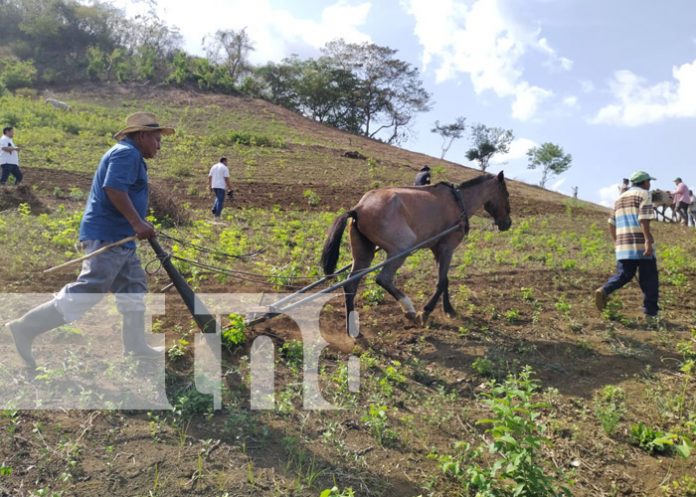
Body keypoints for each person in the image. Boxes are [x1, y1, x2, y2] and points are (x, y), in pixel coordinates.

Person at [4, 112, 175, 370]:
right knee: (91, 287)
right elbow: (113, 188)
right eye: (157, 139)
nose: (160, 145)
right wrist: (137, 222)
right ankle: (25, 328)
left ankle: (136, 347)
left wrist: (135, 224)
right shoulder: (126, 153)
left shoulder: (131, 154)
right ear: (142, 135)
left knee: (133, 287)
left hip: (121, 238)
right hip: (108, 235)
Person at [595, 171, 659, 321]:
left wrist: (617, 241)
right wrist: (648, 240)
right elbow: (644, 219)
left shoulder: (619, 198)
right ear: (644, 182)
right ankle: (650, 313)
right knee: (649, 279)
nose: (649, 184)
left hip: (623, 246)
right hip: (641, 244)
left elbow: (611, 223)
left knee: (623, 275)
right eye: (649, 181)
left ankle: (604, 290)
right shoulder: (644, 194)